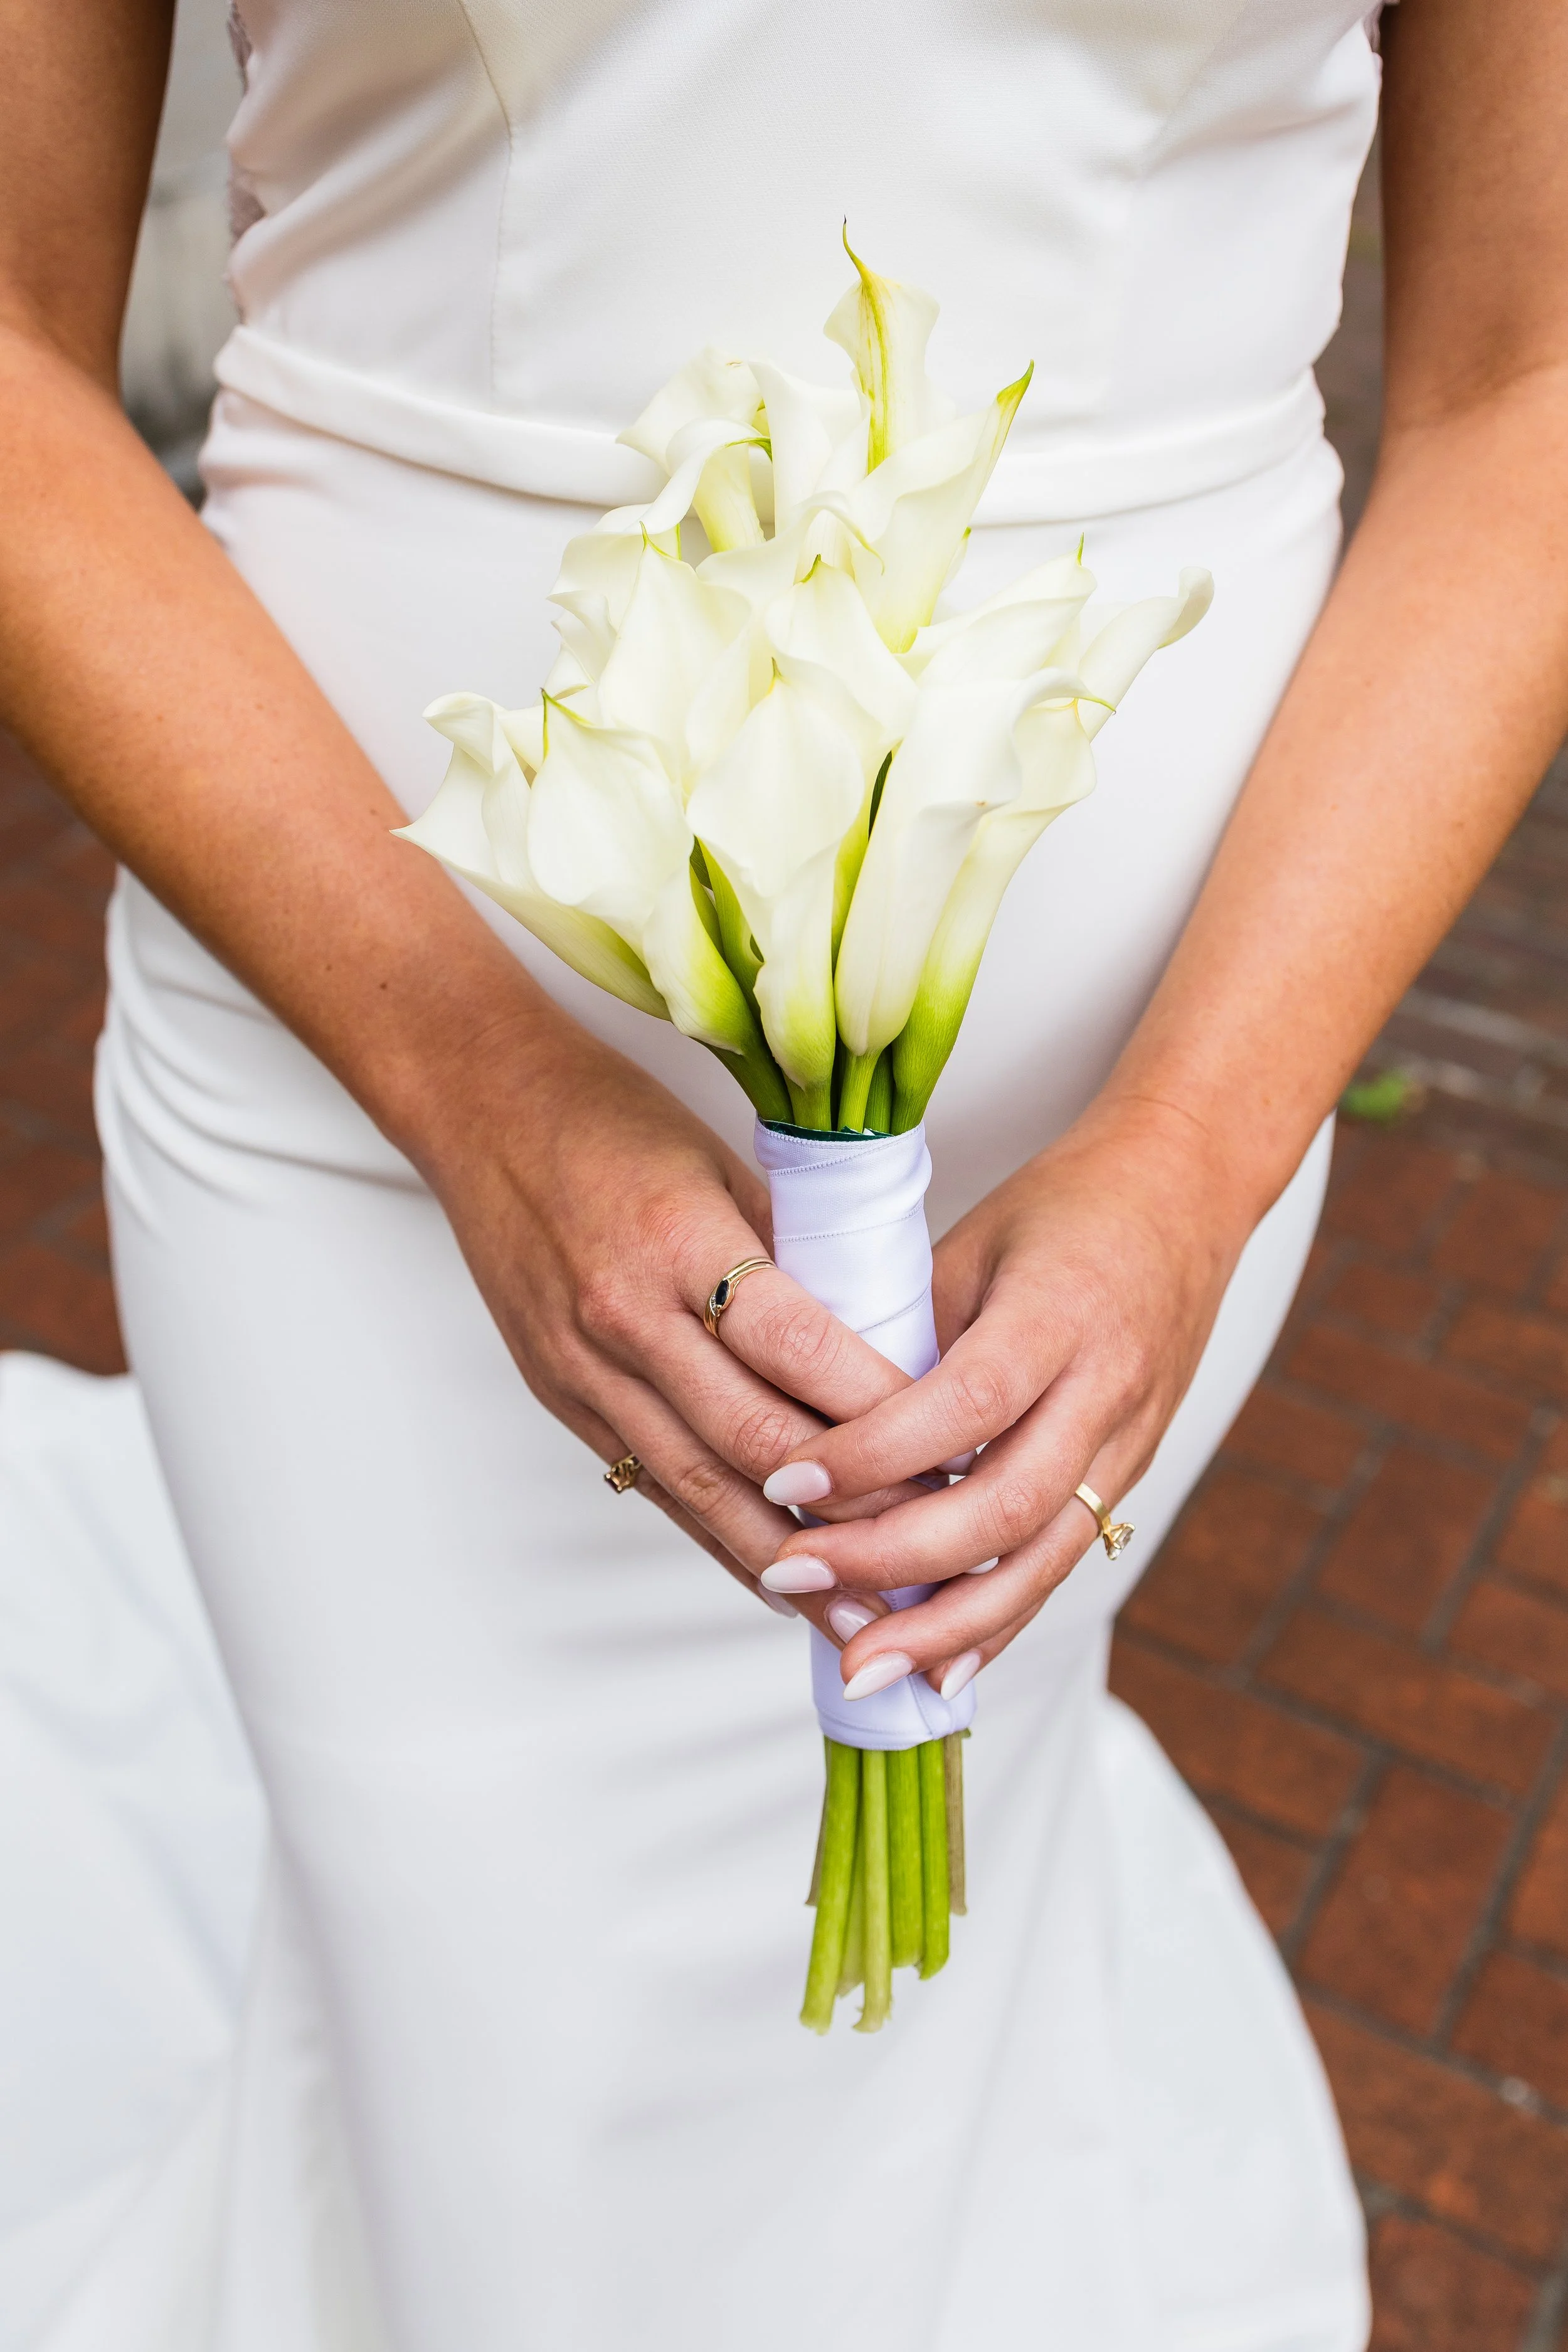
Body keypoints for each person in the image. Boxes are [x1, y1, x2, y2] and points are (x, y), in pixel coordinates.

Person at [3, 0, 1565, 2344]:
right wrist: (475, 1084)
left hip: (1137, 1117)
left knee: (866, 2071)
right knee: (477, 2048)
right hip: (357, 1108)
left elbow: (1517, 383)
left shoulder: (1175, 1152)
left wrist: (1189, 1155)